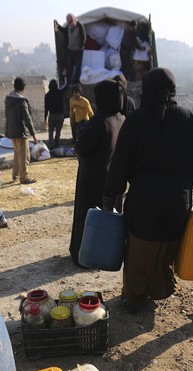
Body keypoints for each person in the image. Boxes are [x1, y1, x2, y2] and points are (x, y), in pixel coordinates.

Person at [103, 68, 193, 311]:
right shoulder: (190, 119)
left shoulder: (135, 120)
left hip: (143, 201)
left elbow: (119, 163)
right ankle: (159, 289)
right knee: (166, 248)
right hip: (177, 202)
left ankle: (133, 297)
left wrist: (111, 196)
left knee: (139, 251)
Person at [70, 80, 125, 266]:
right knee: (110, 219)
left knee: (89, 218)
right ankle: (105, 254)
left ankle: (85, 255)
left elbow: (81, 147)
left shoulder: (99, 121)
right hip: (113, 177)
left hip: (92, 178)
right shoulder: (120, 119)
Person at [4, 76, 39, 185]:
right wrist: (34, 134)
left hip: (12, 131)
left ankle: (15, 175)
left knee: (17, 154)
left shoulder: (8, 98)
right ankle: (24, 177)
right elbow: (27, 118)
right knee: (24, 155)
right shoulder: (21, 101)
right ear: (23, 87)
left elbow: (6, 115)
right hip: (21, 131)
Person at [64, 13, 86, 87]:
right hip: (70, 50)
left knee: (77, 67)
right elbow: (66, 37)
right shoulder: (68, 27)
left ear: (74, 19)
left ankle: (76, 83)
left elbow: (84, 38)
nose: (70, 24)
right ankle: (69, 82)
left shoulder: (80, 25)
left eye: (71, 22)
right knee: (69, 67)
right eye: (69, 23)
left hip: (78, 51)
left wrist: (79, 47)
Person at [44, 79, 66, 149]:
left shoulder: (47, 95)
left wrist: (45, 118)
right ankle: (57, 143)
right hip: (60, 115)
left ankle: (51, 144)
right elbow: (66, 86)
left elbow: (46, 108)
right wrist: (65, 77)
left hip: (52, 115)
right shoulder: (60, 92)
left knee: (51, 130)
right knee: (58, 130)